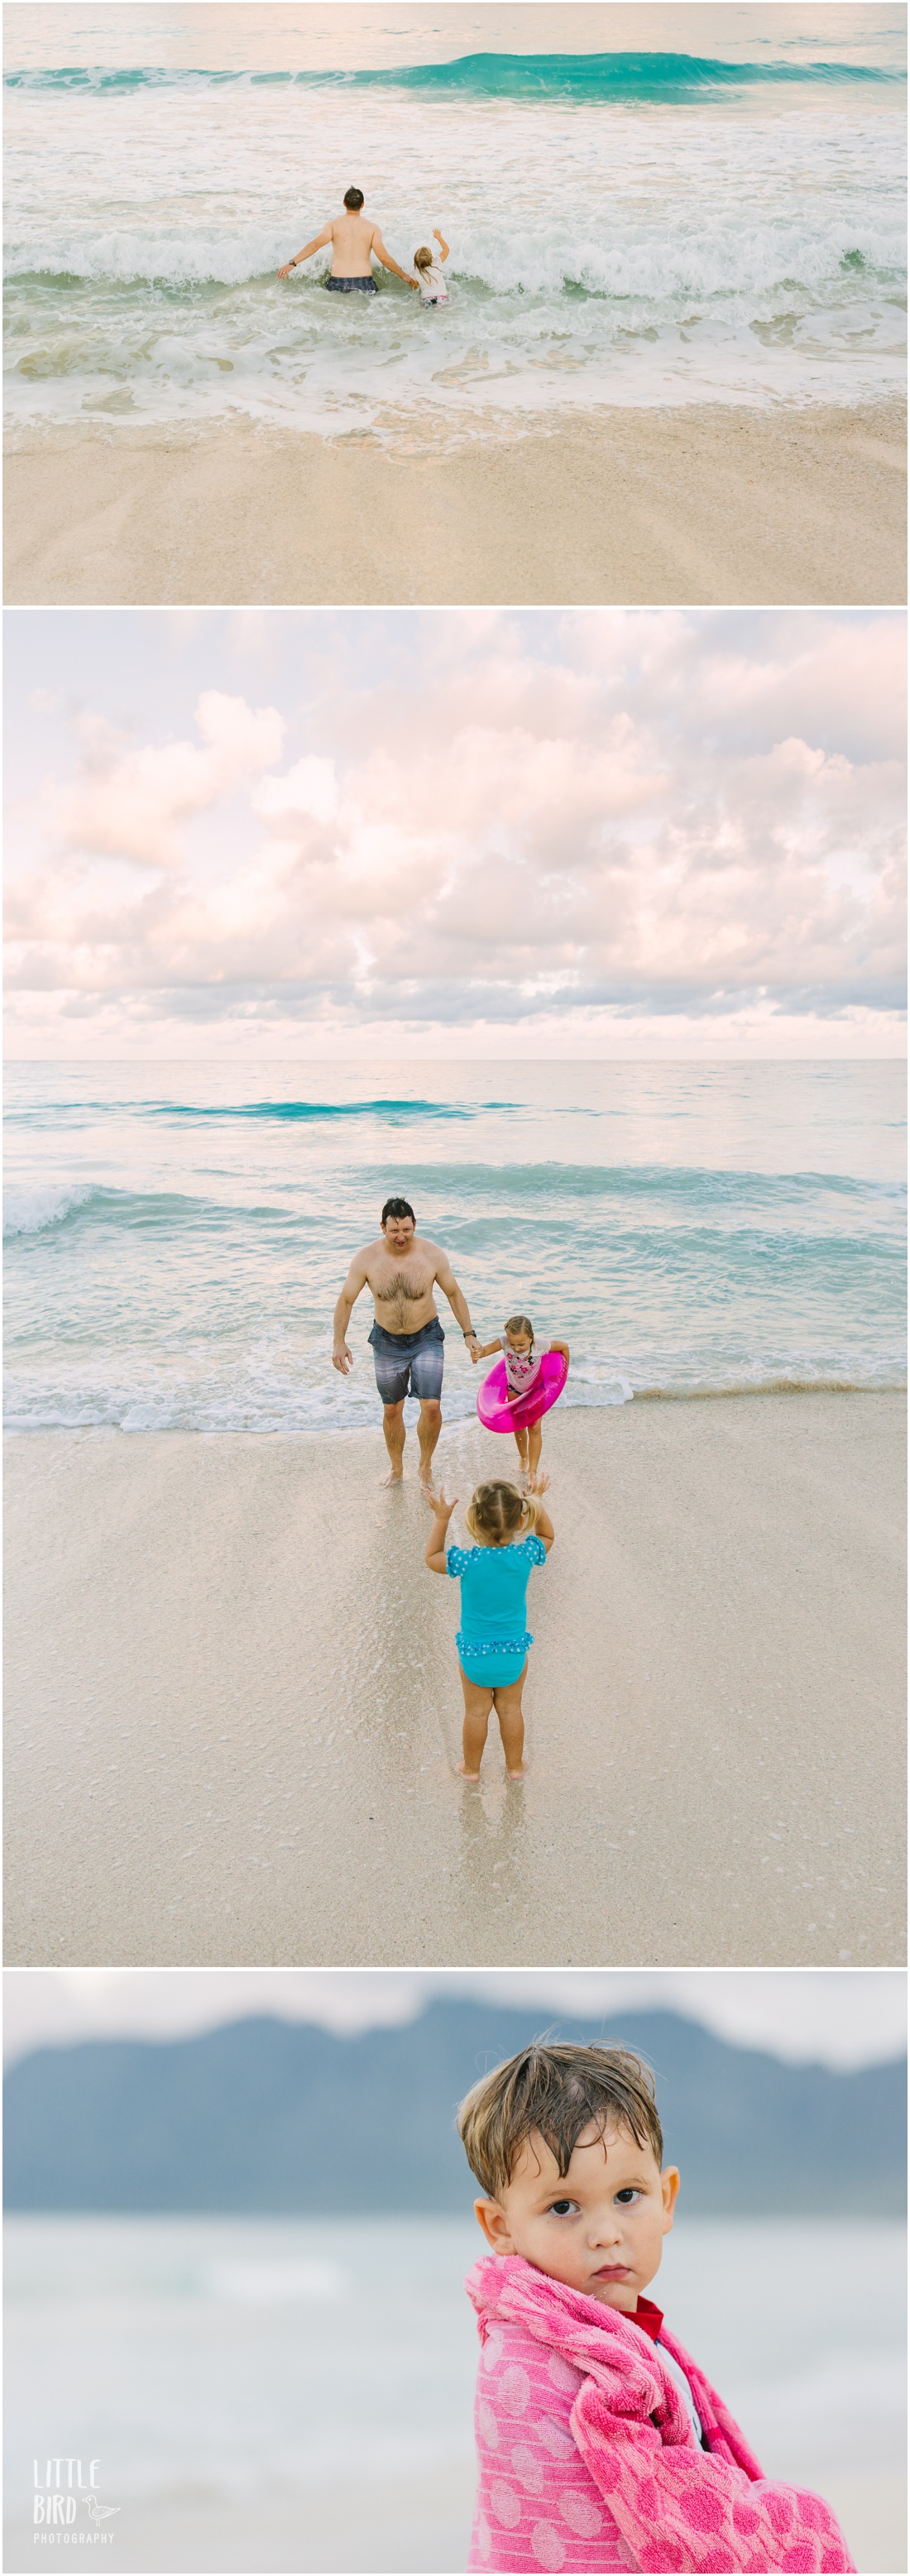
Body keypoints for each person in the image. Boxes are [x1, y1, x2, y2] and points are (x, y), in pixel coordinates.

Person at [457, 2040, 855, 2574]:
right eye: (563, 2207)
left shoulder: (622, 2336)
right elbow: (657, 2516)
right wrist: (797, 2523)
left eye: (627, 2196)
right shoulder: (536, 2360)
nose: (605, 2234)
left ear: (666, 2198)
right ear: (500, 2227)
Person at [332, 1197, 478, 1487]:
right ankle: (397, 1468)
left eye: (407, 1230)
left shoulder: (432, 1255)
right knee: (391, 1410)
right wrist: (339, 1341)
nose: (401, 1236)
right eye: (394, 1230)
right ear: (383, 1227)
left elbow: (453, 1293)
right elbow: (346, 1299)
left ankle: (425, 1466)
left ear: (415, 1226)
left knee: (432, 1407)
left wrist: (469, 1334)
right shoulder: (366, 1258)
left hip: (427, 1336)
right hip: (387, 1341)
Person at [424, 1475, 553, 1782]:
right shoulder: (525, 1556)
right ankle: (515, 1767)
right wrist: (537, 1500)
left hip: (475, 1655)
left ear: (475, 1519)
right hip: (513, 1653)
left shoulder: (466, 1561)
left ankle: (471, 1769)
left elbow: (431, 1558)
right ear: (521, 1518)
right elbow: (547, 1536)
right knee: (511, 1710)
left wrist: (442, 1518)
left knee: (476, 1713)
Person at [473, 1312, 570, 1482]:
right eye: (513, 1344)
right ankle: (523, 1457)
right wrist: (478, 1353)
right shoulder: (504, 1342)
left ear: (531, 1338)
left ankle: (532, 1470)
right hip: (514, 1389)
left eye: (521, 1344)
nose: (517, 1348)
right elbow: (486, 1350)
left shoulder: (541, 1346)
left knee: (534, 1427)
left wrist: (563, 1373)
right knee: (518, 1425)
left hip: (535, 1391)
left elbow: (564, 1347)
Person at [278, 185, 419, 292]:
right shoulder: (372, 228)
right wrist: (406, 277)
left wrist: (292, 263)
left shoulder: (332, 225)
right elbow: (384, 259)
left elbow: (315, 245)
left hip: (337, 283)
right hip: (365, 283)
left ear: (344, 203)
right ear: (363, 205)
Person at [413, 227, 450, 304]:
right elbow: (446, 249)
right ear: (431, 258)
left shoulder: (416, 272)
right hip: (441, 298)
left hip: (426, 300)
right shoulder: (437, 262)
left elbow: (415, 286)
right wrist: (439, 237)